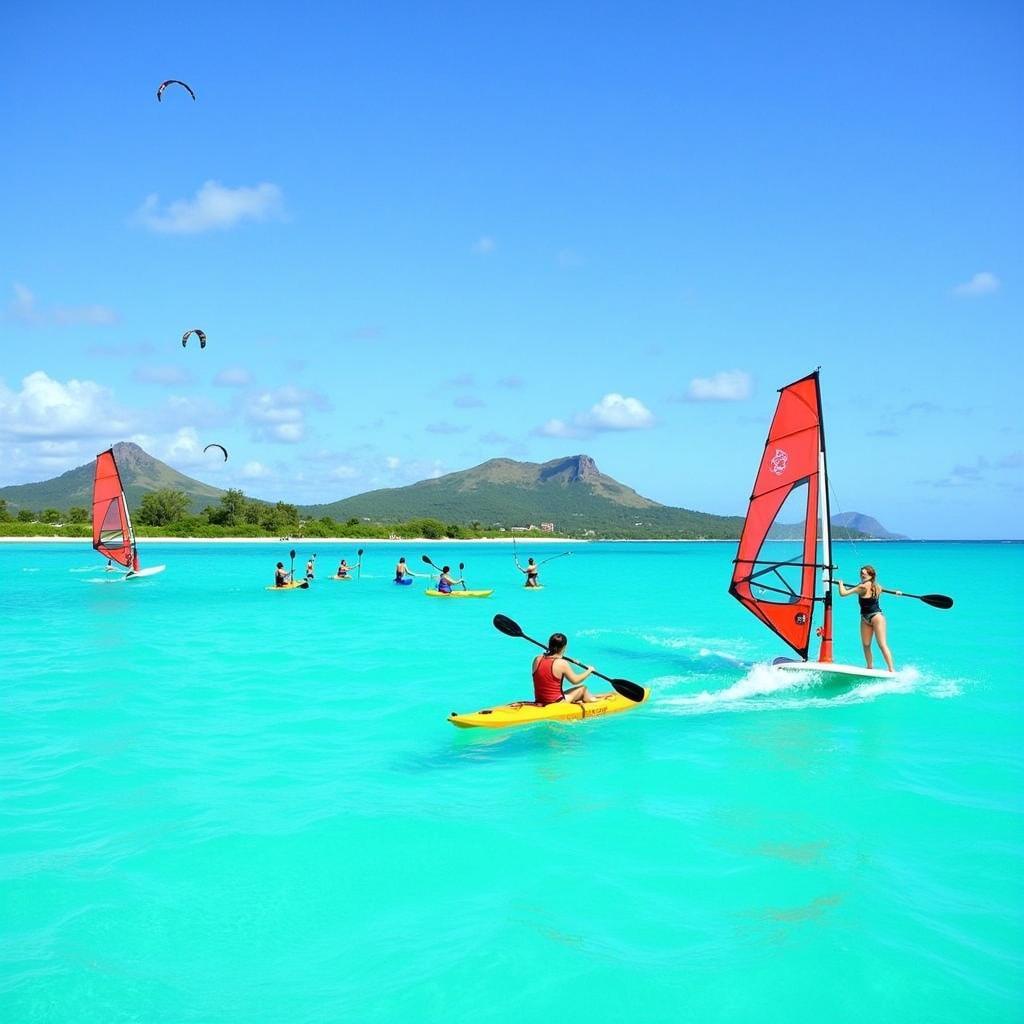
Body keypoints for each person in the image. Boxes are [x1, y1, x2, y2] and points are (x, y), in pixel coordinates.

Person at [835, 565, 900, 672]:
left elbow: (843, 593)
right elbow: (884, 590)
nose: (862, 576)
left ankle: (891, 670)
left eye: (864, 574)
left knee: (882, 644)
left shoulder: (862, 587)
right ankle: (869, 667)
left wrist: (840, 583)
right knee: (866, 644)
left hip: (876, 617)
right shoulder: (876, 586)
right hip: (864, 618)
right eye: (861, 574)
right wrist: (896, 592)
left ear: (870, 575)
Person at [532, 633, 601, 706]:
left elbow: (548, 664)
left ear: (549, 644)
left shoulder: (537, 659)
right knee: (583, 688)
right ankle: (595, 702)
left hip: (540, 700)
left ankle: (586, 699)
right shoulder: (562, 663)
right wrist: (589, 671)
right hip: (557, 702)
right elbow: (575, 681)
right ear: (564, 647)